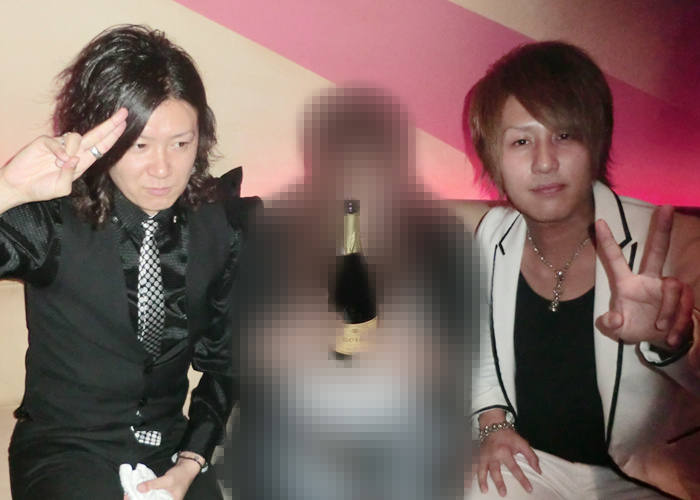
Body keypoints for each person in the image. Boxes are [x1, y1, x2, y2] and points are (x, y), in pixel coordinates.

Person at [1, 25, 251, 500]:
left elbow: (226, 365)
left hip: (169, 449)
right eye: (140, 145)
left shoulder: (221, 229)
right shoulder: (50, 221)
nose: (163, 169)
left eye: (181, 143)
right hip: (66, 449)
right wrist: (7, 190)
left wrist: (191, 462)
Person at [464, 42, 700, 499]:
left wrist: (675, 343)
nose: (544, 162)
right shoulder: (493, 233)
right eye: (521, 141)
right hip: (535, 464)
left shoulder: (671, 239)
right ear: (493, 158)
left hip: (651, 476)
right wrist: (493, 424)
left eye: (564, 135)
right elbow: (479, 345)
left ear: (596, 142)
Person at [231, 86, 476, 500]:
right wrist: (292, 337)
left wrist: (414, 352)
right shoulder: (275, 237)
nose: (359, 192)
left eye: (375, 176)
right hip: (304, 434)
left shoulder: (441, 243)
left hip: (409, 434)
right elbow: (240, 356)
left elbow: (462, 366)